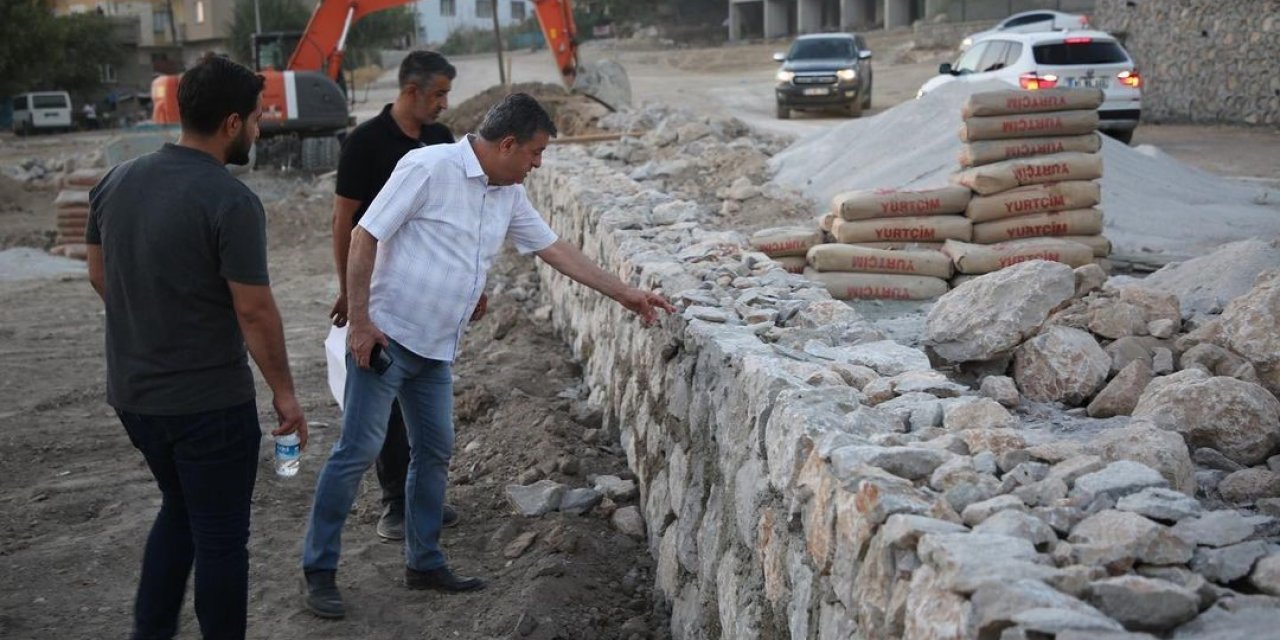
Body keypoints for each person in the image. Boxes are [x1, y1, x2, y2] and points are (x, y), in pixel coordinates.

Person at [301, 93, 676, 619]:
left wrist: (627, 294)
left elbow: (556, 250)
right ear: (506, 145)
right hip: (388, 339)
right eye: (535, 152)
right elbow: (366, 236)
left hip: (436, 350)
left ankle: (424, 561)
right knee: (357, 452)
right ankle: (318, 570)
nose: (538, 164)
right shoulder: (429, 167)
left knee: (434, 452)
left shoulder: (506, 193)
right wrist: (361, 323)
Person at [85, 55, 307, 640]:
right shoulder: (229, 200)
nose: (260, 130)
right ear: (232, 123)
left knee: (179, 511)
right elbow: (254, 311)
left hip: (135, 399)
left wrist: (151, 319)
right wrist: (286, 395)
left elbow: (98, 271)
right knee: (220, 538)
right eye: (257, 119)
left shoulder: (116, 181)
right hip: (209, 406)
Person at [330, 50, 467, 542]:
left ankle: (423, 500)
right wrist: (351, 294)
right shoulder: (364, 143)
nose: (443, 104)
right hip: (378, 290)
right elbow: (345, 221)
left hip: (426, 297)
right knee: (382, 402)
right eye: (438, 94)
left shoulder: (439, 141)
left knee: (424, 405)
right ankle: (394, 504)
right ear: (411, 91)